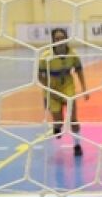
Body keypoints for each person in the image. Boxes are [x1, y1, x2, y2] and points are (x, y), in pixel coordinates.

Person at [37, 28, 90, 157]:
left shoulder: (73, 55)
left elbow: (79, 71)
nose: (60, 41)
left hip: (67, 87)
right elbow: (40, 76)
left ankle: (77, 145)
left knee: (73, 119)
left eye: (62, 38)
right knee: (58, 119)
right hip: (51, 89)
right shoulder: (45, 56)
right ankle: (57, 126)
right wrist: (48, 88)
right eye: (57, 38)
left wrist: (84, 89)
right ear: (53, 40)